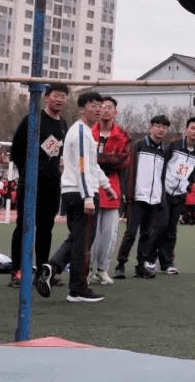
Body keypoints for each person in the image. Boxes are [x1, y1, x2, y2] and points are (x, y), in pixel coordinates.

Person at [35, 92, 116, 303]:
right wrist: (88, 196)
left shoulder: (86, 132)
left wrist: (106, 186)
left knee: (78, 237)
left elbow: (92, 165)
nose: (98, 109)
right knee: (83, 242)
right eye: (93, 105)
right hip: (80, 192)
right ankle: (78, 289)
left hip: (77, 190)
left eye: (100, 105)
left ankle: (52, 268)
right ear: (82, 109)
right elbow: (82, 166)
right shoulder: (81, 132)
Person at [9, 83, 69, 287]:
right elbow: (16, 150)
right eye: (56, 95)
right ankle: (18, 270)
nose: (59, 100)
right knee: (24, 227)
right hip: (31, 183)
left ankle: (42, 272)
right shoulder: (33, 120)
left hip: (52, 184)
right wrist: (28, 172)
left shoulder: (63, 125)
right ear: (46, 97)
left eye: (63, 96)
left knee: (46, 229)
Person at [115, 115, 170, 279]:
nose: (161, 130)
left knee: (147, 234)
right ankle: (120, 264)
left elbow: (162, 176)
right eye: (158, 126)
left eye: (164, 127)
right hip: (137, 196)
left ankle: (140, 266)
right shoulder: (138, 146)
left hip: (153, 198)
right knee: (131, 232)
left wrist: (160, 197)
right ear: (150, 127)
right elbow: (128, 171)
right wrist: (127, 194)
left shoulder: (164, 151)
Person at [147, 117, 195, 276]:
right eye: (192, 128)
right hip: (164, 191)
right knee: (160, 226)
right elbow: (162, 164)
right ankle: (150, 259)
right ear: (186, 129)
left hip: (180, 194)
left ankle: (166, 263)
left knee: (172, 229)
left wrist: (188, 185)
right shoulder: (174, 146)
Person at [89, 96, 130, 285]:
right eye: (102, 107)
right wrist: (106, 158)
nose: (105, 110)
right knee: (91, 231)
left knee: (109, 232)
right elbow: (88, 159)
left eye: (109, 107)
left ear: (115, 111)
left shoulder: (122, 135)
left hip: (112, 185)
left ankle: (102, 269)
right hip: (91, 184)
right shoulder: (89, 131)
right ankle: (87, 268)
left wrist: (100, 159)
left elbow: (122, 160)